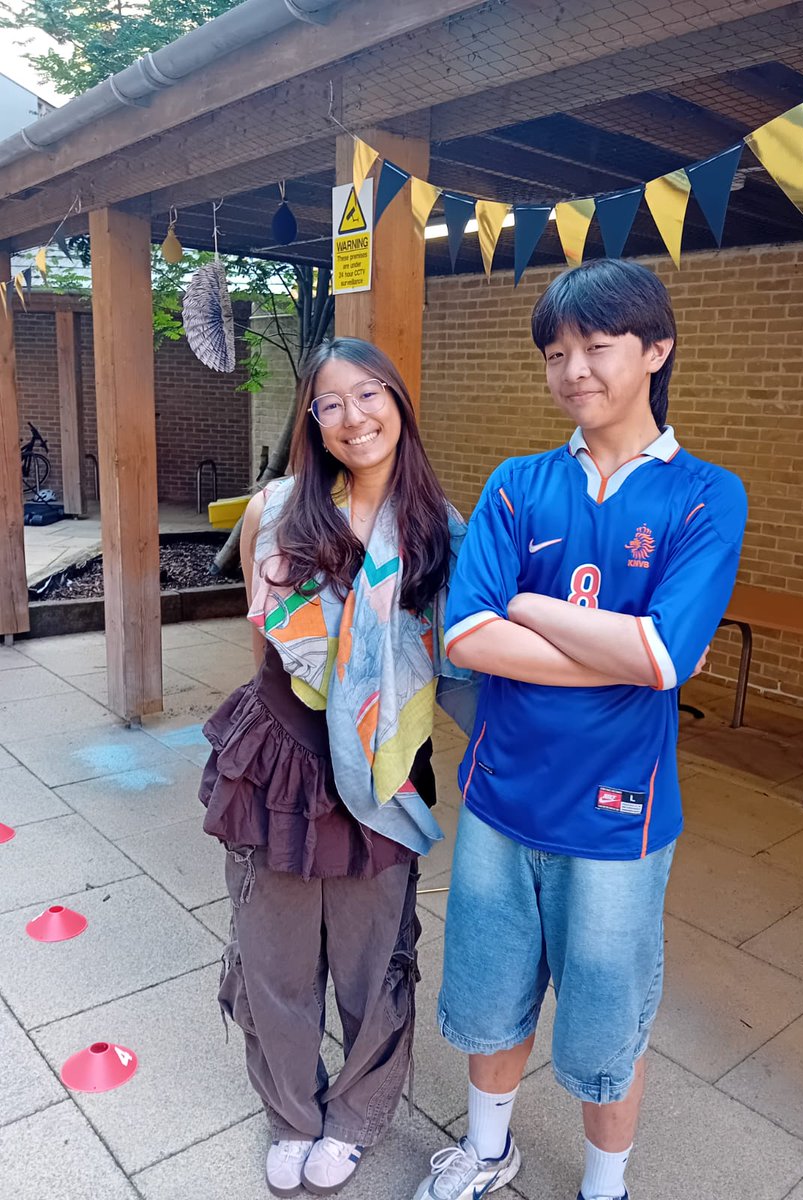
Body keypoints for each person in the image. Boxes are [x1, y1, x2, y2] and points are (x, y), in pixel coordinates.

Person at [412, 259, 748, 1200]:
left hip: (618, 818)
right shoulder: (520, 484)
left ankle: (605, 1188)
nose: (574, 371)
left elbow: (662, 656)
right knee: (487, 990)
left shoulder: (706, 497)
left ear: (655, 350)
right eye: (557, 353)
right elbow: (467, 636)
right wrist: (619, 649)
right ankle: (487, 1152)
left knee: (605, 1022)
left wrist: (529, 601)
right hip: (499, 795)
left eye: (597, 347)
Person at [200, 337, 471, 1198]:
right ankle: (290, 1113)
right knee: (272, 957)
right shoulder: (274, 511)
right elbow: (268, 646)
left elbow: (457, 659)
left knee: (372, 960)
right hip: (281, 761)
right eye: (330, 404)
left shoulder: (441, 530)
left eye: (369, 394)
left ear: (398, 400)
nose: (353, 417)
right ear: (310, 423)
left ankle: (354, 1117)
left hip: (386, 770)